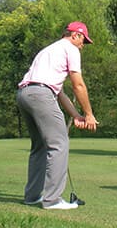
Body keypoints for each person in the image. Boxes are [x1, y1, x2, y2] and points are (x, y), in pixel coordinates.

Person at [16, 21, 98, 210]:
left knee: (40, 146)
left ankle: (32, 196)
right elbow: (78, 85)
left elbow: (60, 93)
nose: (82, 46)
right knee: (59, 143)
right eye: (83, 41)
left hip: (24, 94)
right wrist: (89, 114)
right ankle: (52, 200)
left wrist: (76, 115)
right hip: (40, 94)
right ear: (75, 35)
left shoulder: (49, 51)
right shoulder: (71, 49)